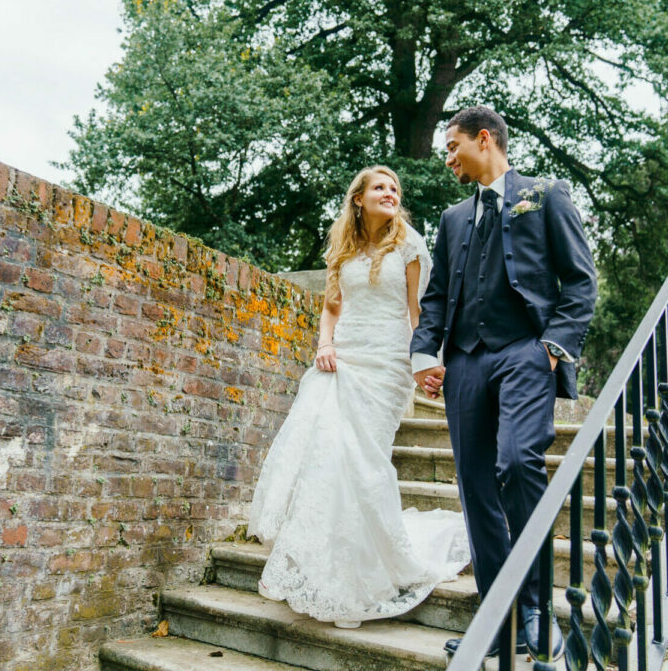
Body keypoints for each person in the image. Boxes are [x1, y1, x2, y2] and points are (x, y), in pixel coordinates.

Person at [411, 106, 597, 661]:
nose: (448, 158)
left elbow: (580, 281)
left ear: (484, 139)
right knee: (474, 485)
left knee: (516, 463)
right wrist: (425, 353)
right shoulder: (451, 219)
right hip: (465, 361)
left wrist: (551, 349)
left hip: (525, 352)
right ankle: (500, 615)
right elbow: (438, 295)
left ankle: (538, 611)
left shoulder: (545, 194)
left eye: (453, 146)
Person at [248, 165, 470, 629]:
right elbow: (332, 306)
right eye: (380, 187)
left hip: (388, 365)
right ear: (359, 198)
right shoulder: (343, 247)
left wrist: (427, 364)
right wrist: (323, 344)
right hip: (342, 357)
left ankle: (374, 566)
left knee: (366, 462)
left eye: (394, 188)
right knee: (329, 457)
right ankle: (325, 566)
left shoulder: (409, 244)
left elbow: (418, 314)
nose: (390, 193)